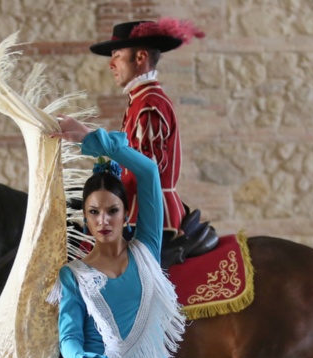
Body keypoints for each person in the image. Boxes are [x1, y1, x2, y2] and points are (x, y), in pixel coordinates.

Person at [42, 115, 185, 358]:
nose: (103, 220)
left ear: (125, 213)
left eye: (112, 210)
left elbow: (149, 172)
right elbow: (69, 337)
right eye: (93, 212)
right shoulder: (74, 274)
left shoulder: (147, 248)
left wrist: (95, 140)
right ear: (86, 217)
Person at [89, 18, 217, 267]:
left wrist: (106, 195)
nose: (111, 64)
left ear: (140, 58)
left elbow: (147, 170)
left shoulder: (149, 104)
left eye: (117, 55)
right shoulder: (141, 100)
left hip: (147, 214)